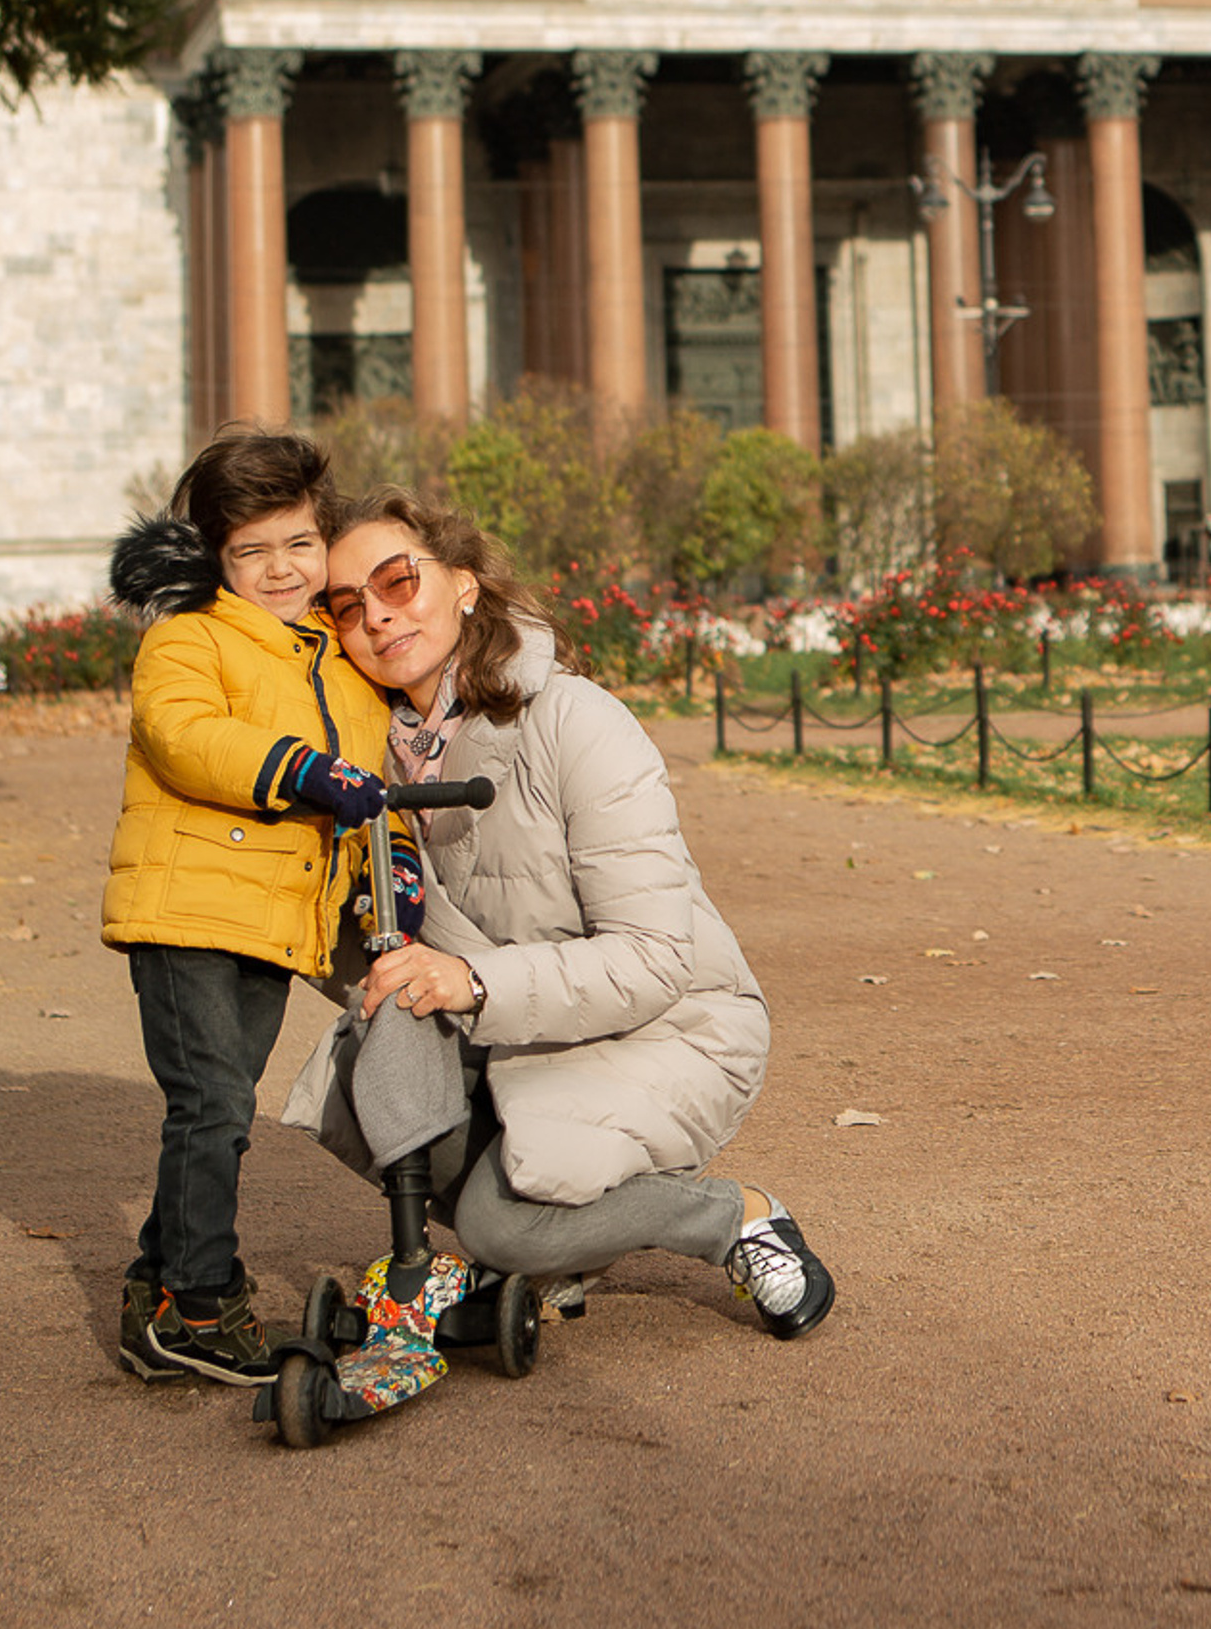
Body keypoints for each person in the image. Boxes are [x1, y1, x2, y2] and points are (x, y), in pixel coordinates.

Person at [296, 488, 834, 1338]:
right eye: (347, 606)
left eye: (398, 581)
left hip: (668, 1024)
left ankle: (731, 1219)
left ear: (464, 582)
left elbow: (656, 956)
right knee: (383, 1081)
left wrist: (469, 979)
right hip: (518, 1028)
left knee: (498, 1225)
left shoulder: (577, 722)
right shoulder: (356, 764)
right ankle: (560, 1249)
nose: (378, 617)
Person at [102, 428, 394, 1385]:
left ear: (325, 540)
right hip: (184, 909)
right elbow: (187, 738)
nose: (280, 568)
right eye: (252, 550)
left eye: (298, 544)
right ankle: (199, 1304)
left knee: (216, 1110)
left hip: (278, 919)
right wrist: (298, 770)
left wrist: (386, 863)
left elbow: (368, 785)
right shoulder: (186, 638)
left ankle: (155, 1290)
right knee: (214, 1103)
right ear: (216, 557)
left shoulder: (343, 663)